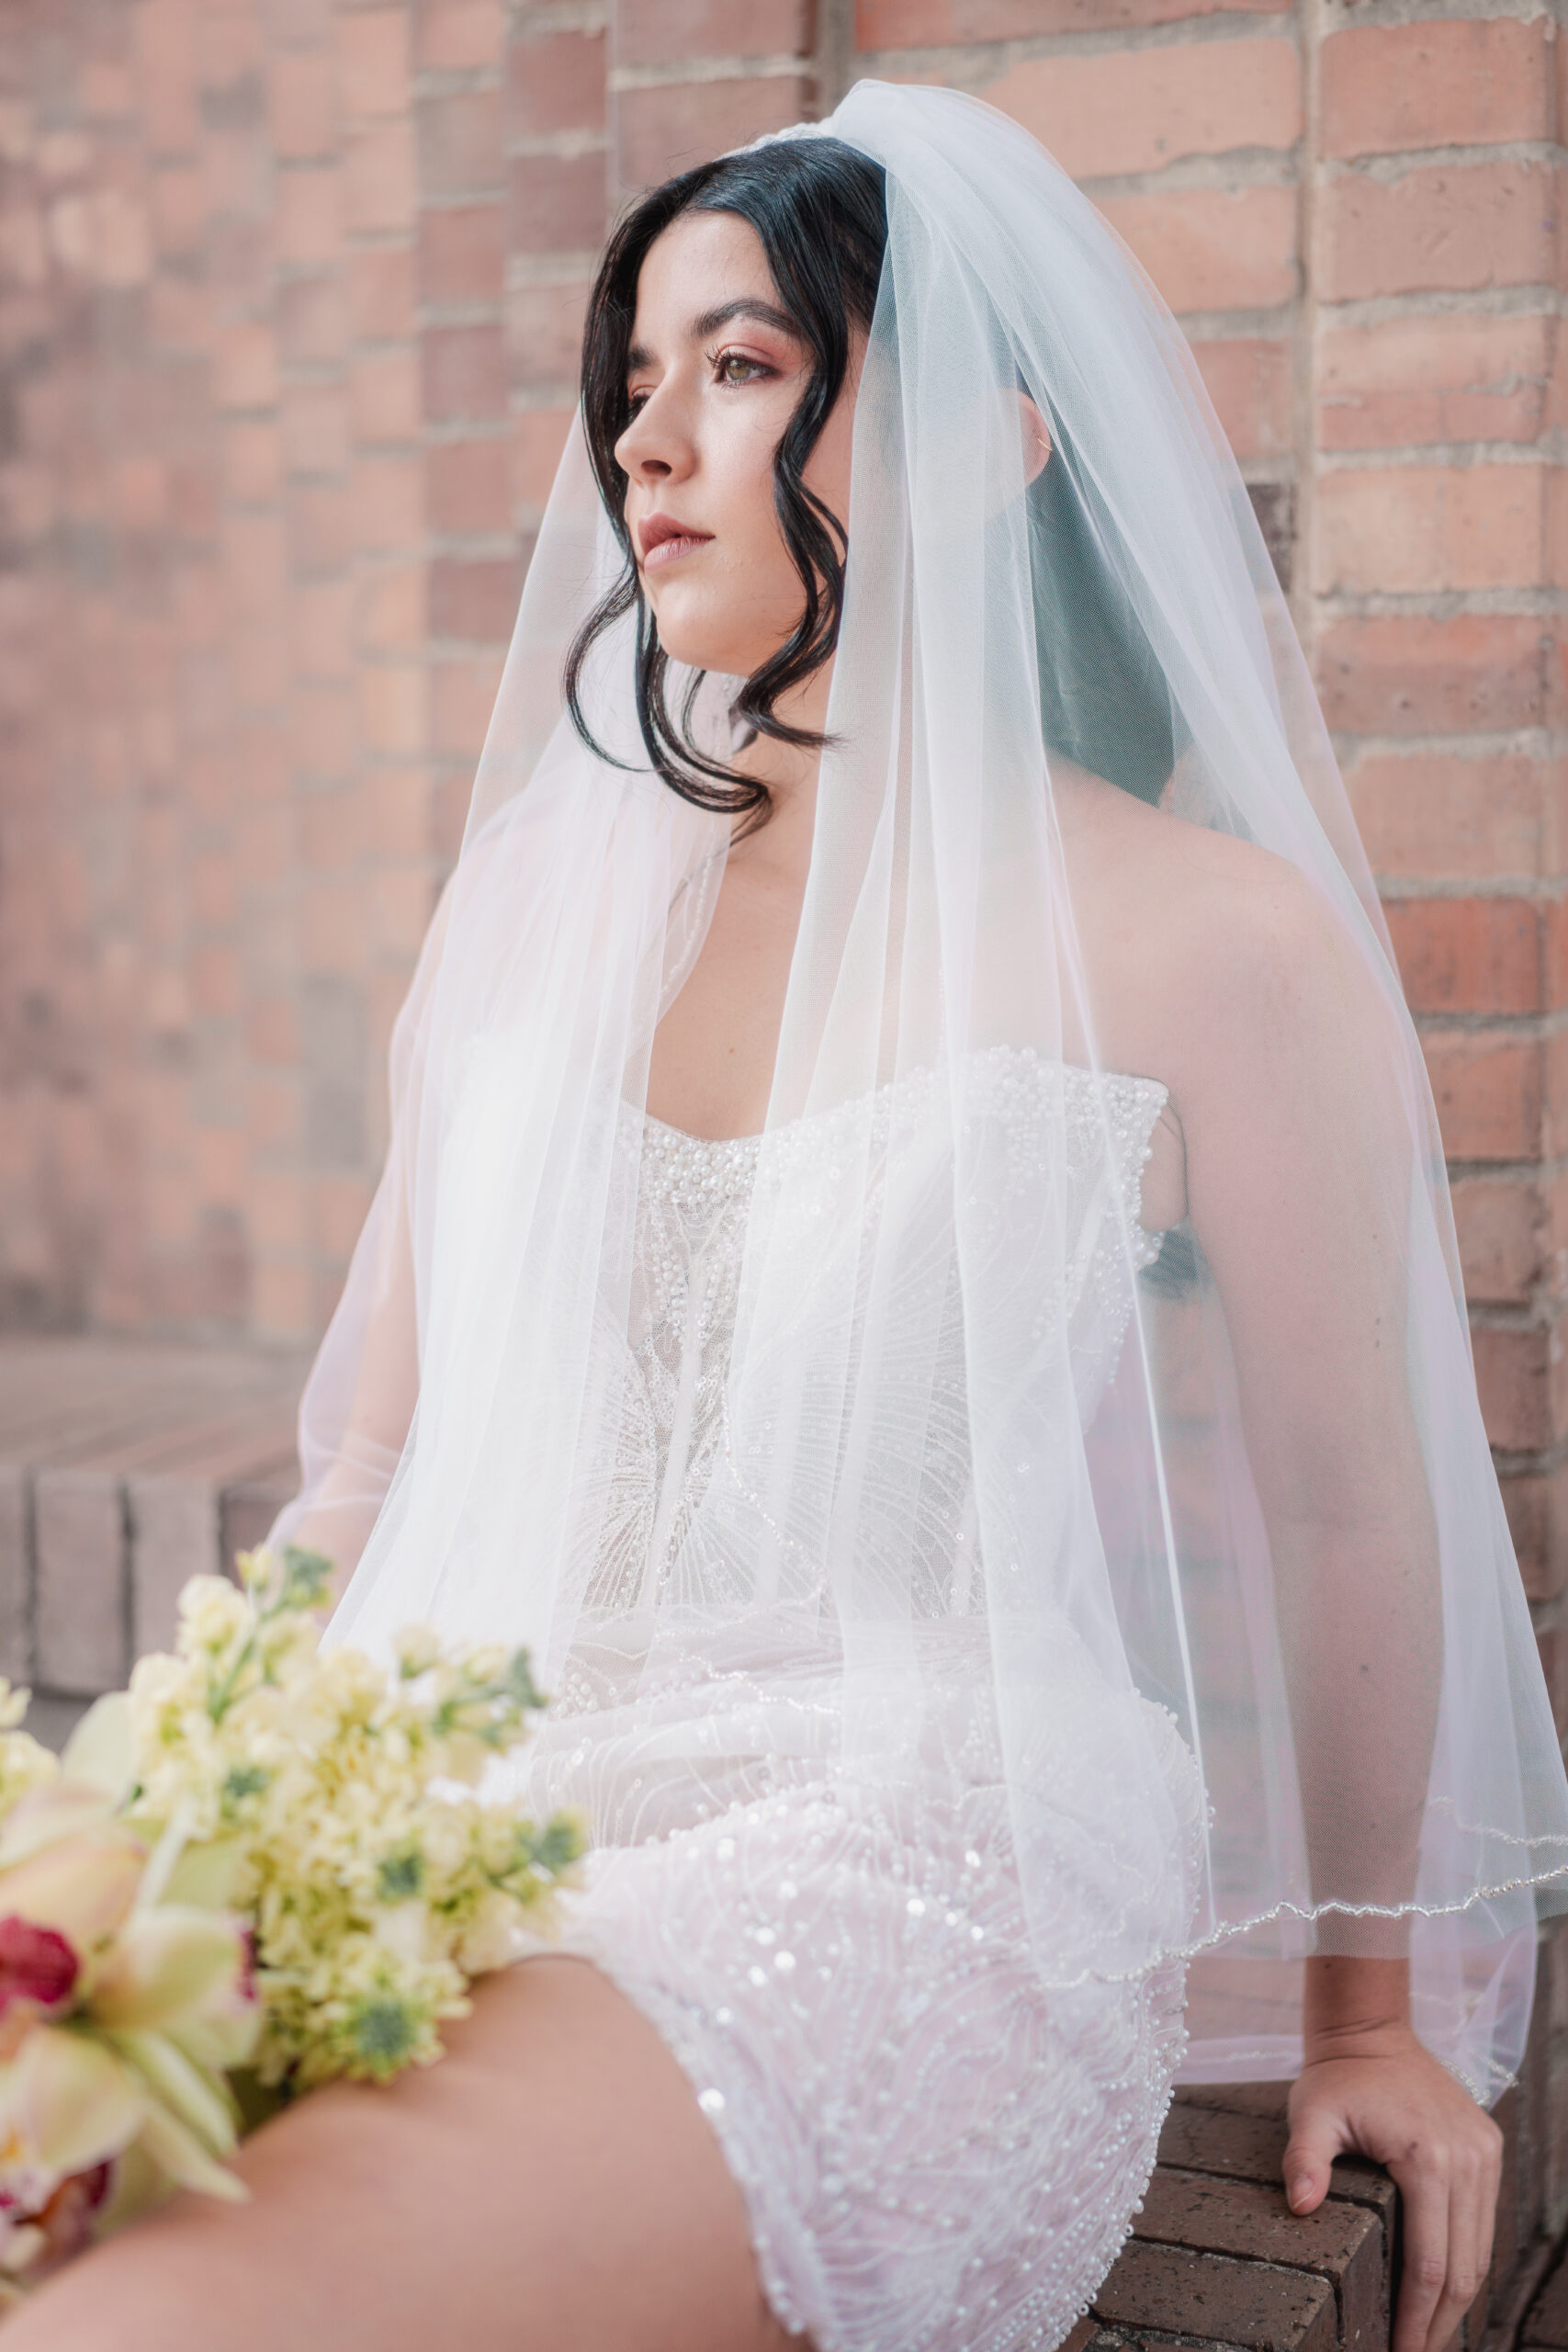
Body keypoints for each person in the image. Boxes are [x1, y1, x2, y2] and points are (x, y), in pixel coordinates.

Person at [17, 82, 1568, 2352]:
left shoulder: (1210, 944)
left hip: (886, 1838)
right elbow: (372, 1460)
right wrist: (181, 1821)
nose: (643, 441)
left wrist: (1365, 2008)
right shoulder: (539, 898)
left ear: (981, 449)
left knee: (160, 2319)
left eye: (739, 367)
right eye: (634, 378)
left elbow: (1347, 1498)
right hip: (448, 1788)